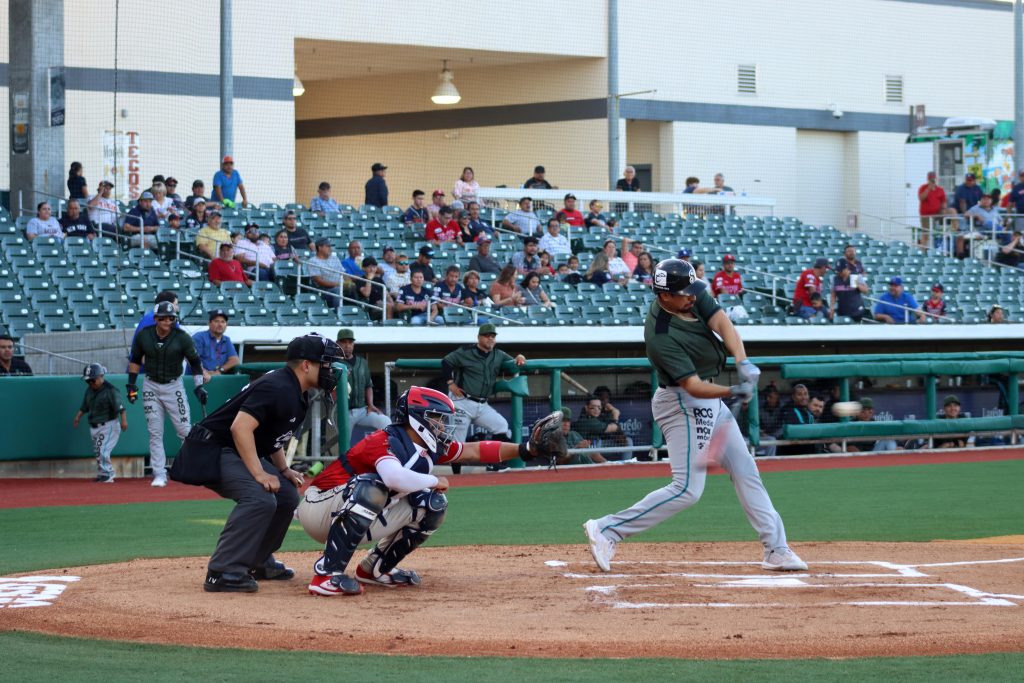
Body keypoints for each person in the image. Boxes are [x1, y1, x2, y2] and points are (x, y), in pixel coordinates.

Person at [583, 258, 805, 572]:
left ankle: (776, 549)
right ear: (664, 295)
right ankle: (608, 529)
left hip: (709, 400)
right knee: (687, 490)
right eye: (684, 294)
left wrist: (742, 361)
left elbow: (723, 323)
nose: (692, 297)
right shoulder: (660, 336)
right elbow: (692, 385)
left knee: (745, 469)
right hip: (682, 403)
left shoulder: (689, 293)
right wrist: (732, 390)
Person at [298, 386, 557, 594]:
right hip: (318, 508)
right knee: (373, 487)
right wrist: (433, 480)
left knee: (433, 504)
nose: (442, 425)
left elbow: (474, 451)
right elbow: (394, 477)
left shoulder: (428, 445)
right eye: (437, 418)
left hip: (347, 511)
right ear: (418, 417)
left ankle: (373, 569)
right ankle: (327, 575)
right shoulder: (385, 439)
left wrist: (526, 450)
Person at [197, 333, 339, 592]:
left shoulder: (293, 389)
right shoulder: (278, 386)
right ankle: (222, 571)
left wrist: (282, 469)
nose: (330, 371)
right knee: (259, 497)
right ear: (306, 365)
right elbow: (240, 428)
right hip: (211, 448)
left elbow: (273, 436)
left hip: (231, 449)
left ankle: (257, 560)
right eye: (325, 364)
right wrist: (259, 473)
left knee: (286, 495)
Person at [127, 301, 205, 487]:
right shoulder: (144, 335)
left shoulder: (182, 337)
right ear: (156, 319)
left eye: (171, 318)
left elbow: (195, 362)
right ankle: (159, 474)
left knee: (184, 430)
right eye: (163, 318)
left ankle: (192, 470)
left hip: (174, 386)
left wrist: (199, 386)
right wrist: (131, 384)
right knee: (154, 431)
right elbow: (135, 360)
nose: (167, 321)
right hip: (150, 385)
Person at [443, 323, 526, 446]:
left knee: (501, 426)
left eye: (493, 336)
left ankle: (492, 458)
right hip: (462, 402)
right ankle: (455, 460)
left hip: (482, 404)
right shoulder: (465, 351)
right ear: (479, 337)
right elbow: (446, 362)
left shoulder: (499, 354)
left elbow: (515, 362)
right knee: (457, 444)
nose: (490, 338)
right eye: (486, 336)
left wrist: (520, 356)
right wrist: (450, 383)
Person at [73, 364, 128, 483]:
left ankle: (108, 474)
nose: (90, 383)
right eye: (87, 381)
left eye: (92, 380)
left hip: (108, 425)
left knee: (102, 450)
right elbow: (85, 406)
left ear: (100, 377)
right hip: (94, 426)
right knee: (99, 452)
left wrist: (124, 421)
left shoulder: (110, 390)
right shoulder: (89, 390)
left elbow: (121, 407)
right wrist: (78, 416)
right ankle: (103, 473)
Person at [334, 328, 390, 443]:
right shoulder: (334, 363)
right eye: (343, 342)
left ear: (353, 344)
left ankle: (382, 450)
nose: (347, 345)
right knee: (344, 443)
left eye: (350, 342)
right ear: (337, 344)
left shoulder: (362, 362)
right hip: (344, 411)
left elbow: (368, 385)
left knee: (385, 421)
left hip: (362, 410)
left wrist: (370, 404)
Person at [192, 309, 239, 380]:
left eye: (223, 322)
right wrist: (204, 372)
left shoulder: (227, 340)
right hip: (197, 379)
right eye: (216, 321)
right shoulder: (199, 337)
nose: (220, 325)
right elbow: (191, 359)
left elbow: (235, 360)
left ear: (226, 325)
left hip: (218, 379)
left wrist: (220, 371)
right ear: (209, 323)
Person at [961, 193, 1003, 258]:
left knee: (1007, 232)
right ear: (980, 200)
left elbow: (1000, 220)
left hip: (995, 230)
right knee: (988, 224)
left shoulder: (994, 209)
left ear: (991, 200)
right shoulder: (975, 208)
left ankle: (1004, 254)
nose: (986, 201)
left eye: (988, 199)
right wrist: (976, 216)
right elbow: (965, 214)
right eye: (984, 199)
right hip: (982, 231)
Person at [777, 384, 814, 456]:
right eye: (799, 394)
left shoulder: (808, 411)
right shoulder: (789, 410)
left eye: (805, 394)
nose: (803, 397)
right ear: (793, 397)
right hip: (790, 452)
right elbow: (800, 431)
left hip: (805, 449)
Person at [306, 238, 343, 309]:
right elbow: (319, 281)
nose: (330, 249)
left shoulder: (334, 258)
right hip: (325, 290)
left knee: (355, 287)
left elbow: (343, 274)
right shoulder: (313, 261)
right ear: (320, 248)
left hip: (341, 286)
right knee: (338, 290)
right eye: (328, 246)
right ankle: (339, 312)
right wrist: (338, 284)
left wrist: (349, 283)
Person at [918, 171, 949, 249]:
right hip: (926, 215)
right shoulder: (923, 188)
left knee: (952, 211)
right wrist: (928, 188)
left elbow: (944, 202)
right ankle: (923, 250)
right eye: (930, 179)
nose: (932, 181)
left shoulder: (940, 189)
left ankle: (954, 228)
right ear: (928, 179)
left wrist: (944, 209)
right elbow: (921, 198)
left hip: (937, 213)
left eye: (933, 179)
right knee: (925, 234)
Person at [757, 385, 784, 457]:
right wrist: (761, 431)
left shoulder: (782, 409)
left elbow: (780, 426)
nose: (768, 399)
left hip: (777, 435)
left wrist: (767, 432)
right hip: (765, 437)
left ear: (777, 396)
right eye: (766, 397)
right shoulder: (760, 410)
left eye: (770, 397)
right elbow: (759, 426)